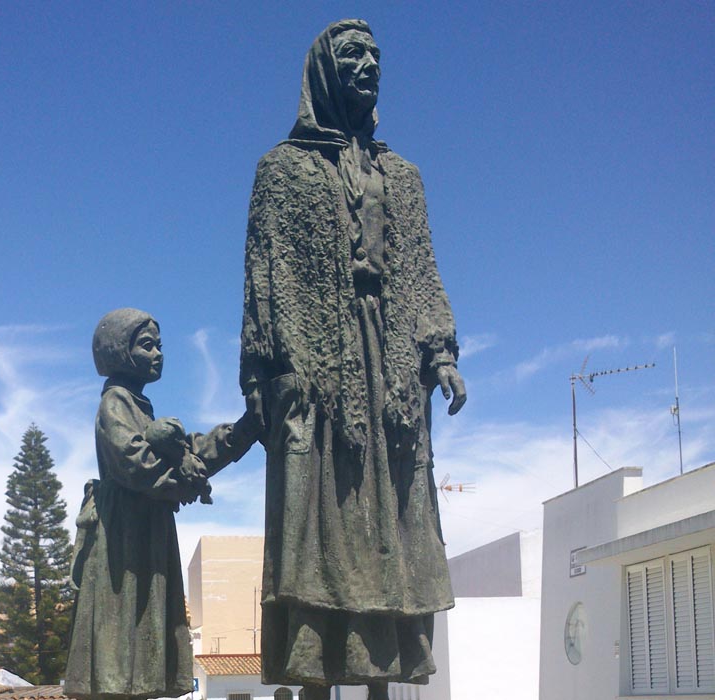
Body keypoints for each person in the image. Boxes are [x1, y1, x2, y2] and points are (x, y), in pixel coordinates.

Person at [239, 19, 466, 698]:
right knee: (319, 522)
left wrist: (441, 353)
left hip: (392, 372)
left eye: (375, 54)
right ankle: (314, 687)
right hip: (316, 370)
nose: (368, 64)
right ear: (323, 70)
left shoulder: (403, 175)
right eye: (352, 54)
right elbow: (263, 276)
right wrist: (265, 370)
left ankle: (378, 689)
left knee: (390, 519)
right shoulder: (282, 169)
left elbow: (422, 270)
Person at [66, 308, 258, 700]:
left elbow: (187, 454)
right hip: (124, 536)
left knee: (141, 635)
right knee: (122, 638)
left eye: (159, 345)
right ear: (120, 351)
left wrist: (240, 433)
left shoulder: (139, 404)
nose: (158, 353)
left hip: (145, 528)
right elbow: (136, 464)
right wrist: (185, 475)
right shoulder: (115, 403)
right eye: (147, 345)